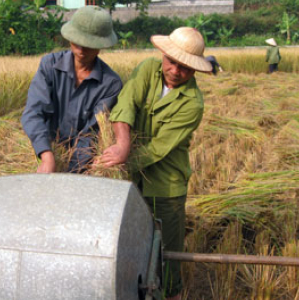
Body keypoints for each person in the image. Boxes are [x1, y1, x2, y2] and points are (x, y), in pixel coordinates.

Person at [97, 27, 212, 300]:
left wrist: (119, 165)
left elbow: (159, 148)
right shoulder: (147, 69)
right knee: (130, 242)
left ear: (194, 70)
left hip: (166, 183)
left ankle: (171, 294)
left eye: (184, 68)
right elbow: (125, 104)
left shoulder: (193, 104)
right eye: (171, 62)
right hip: (130, 178)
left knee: (167, 253)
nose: (175, 71)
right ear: (163, 54)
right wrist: (122, 145)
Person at [21, 6, 122, 173]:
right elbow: (33, 112)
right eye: (78, 41)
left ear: (101, 45)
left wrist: (72, 173)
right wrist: (46, 156)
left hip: (82, 162)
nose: (81, 49)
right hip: (48, 148)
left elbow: (91, 132)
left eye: (88, 44)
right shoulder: (49, 66)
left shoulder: (110, 84)